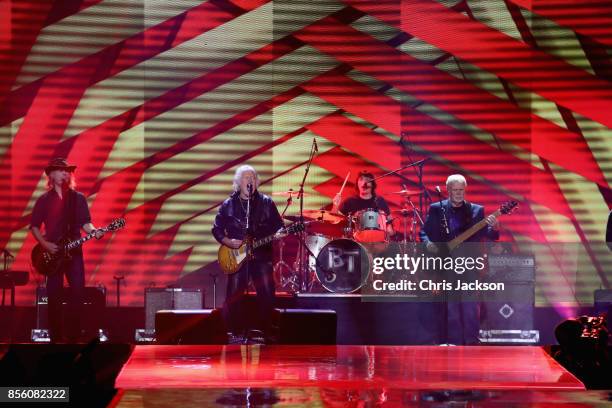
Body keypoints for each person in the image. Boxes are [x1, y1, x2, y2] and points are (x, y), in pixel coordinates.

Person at [30, 158, 104, 342]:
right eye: (61, 170)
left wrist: (94, 231)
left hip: (74, 252)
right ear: (51, 175)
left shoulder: (77, 198)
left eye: (67, 171)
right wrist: (46, 245)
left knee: (77, 294)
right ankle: (56, 337)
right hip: (53, 253)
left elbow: (85, 223)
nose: (65, 173)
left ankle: (74, 335)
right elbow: (34, 227)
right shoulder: (44, 200)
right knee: (54, 295)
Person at [419, 174, 499, 345]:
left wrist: (495, 228)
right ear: (448, 190)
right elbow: (424, 232)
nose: (458, 194)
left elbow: (488, 234)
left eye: (461, 190)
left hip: (469, 265)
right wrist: (430, 244)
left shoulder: (476, 210)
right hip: (446, 265)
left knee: (470, 307)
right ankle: (453, 345)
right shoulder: (436, 209)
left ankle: (472, 344)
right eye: (455, 190)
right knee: (452, 308)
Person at [212, 165, 284, 343]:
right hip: (236, 256)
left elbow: (279, 225)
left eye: (253, 177)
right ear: (238, 182)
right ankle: (234, 333)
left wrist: (280, 233)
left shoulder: (266, 203)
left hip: (261, 256)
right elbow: (216, 229)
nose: (250, 180)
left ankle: (266, 333)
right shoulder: (229, 205)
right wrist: (228, 242)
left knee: (267, 293)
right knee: (234, 296)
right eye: (246, 177)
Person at [331, 170, 394, 237]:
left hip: (376, 241)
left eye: (367, 180)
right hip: (355, 242)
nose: (364, 182)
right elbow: (333, 220)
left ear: (372, 184)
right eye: (361, 180)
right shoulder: (350, 201)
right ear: (357, 184)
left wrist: (389, 228)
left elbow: (389, 221)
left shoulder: (379, 201)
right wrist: (335, 205)